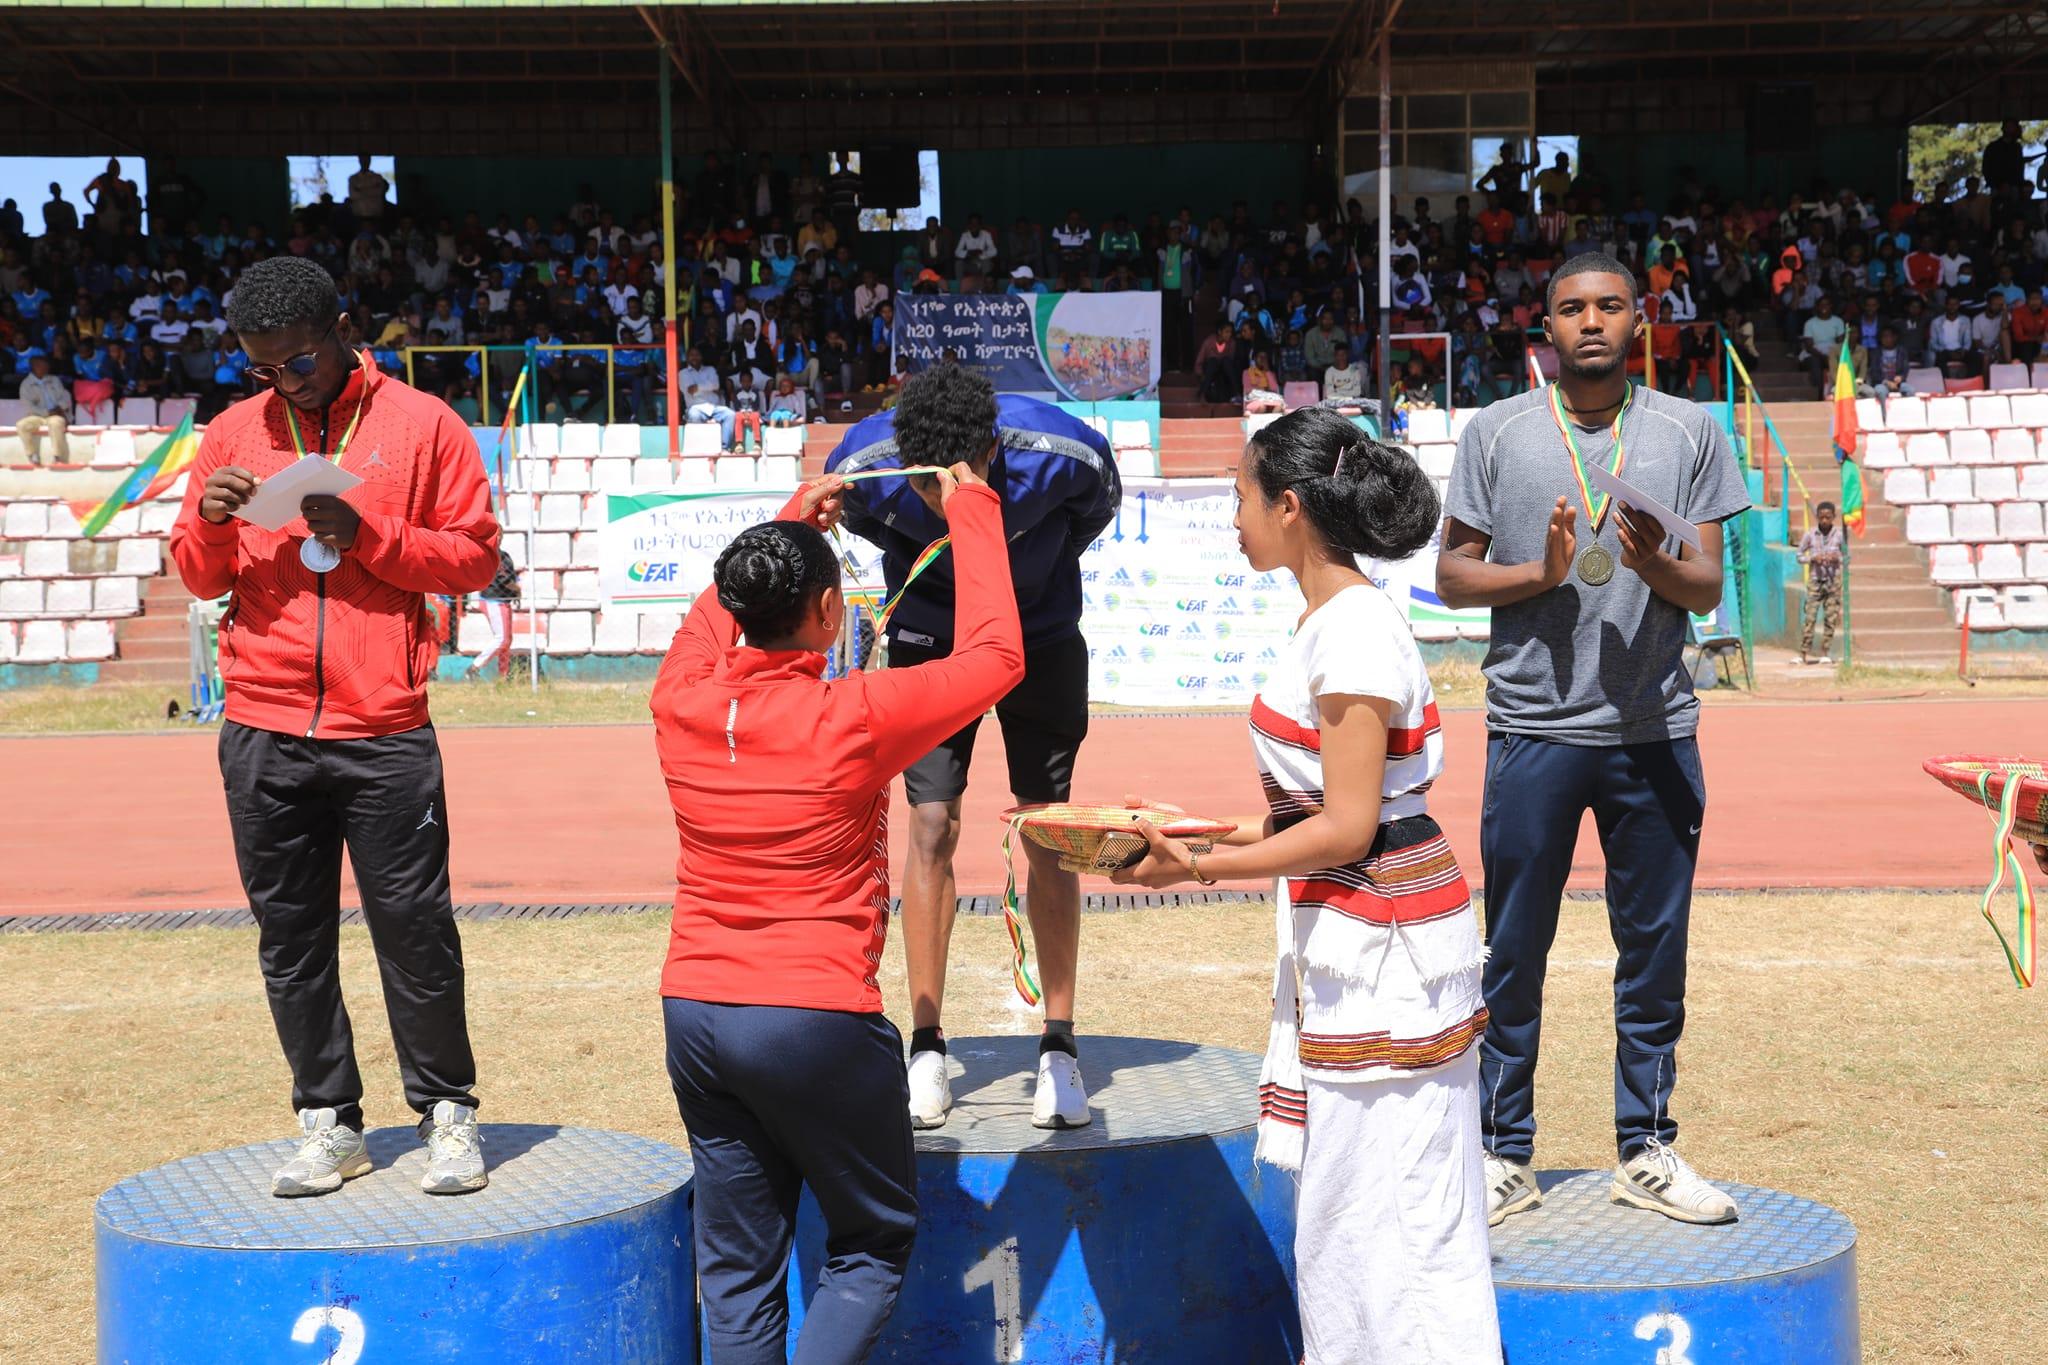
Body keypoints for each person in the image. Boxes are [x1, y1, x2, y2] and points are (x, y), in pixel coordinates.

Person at [1111, 408, 1499, 1365]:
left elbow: (1347, 827)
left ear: (1289, 506)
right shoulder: (1337, 620)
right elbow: (1318, 813)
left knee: (1393, 1224)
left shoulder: (1353, 632)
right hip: (1367, 939)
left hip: (1387, 953)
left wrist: (1193, 866)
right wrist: (1196, 833)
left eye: (1240, 496)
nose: (1232, 518)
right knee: (1357, 1218)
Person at [652, 463, 1023, 1363]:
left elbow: (708, 621)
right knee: (870, 1244)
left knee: (737, 1271)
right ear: (828, 612)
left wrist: (790, 525)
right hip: (813, 1017)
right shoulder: (850, 713)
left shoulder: (679, 695)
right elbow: (997, 659)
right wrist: (974, 508)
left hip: (695, 1013)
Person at [167, 256, 499, 1199]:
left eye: (300, 360)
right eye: (263, 367)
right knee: (290, 937)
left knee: (416, 931)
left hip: (383, 726)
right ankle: (329, 1121)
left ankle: (447, 1112)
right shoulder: (233, 431)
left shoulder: (424, 425)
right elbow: (198, 574)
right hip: (262, 725)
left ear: (345, 330)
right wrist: (213, 522)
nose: (286, 381)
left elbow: (475, 559)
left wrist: (370, 536)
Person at [1437, 252, 1751, 1228]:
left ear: (1637, 322)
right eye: (1572, 307)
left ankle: (1645, 1149)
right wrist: (1540, 572)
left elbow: (1707, 584)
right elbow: (1451, 575)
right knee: (1513, 950)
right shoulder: (1497, 430)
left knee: (1653, 950)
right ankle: (1501, 1153)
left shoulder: (1688, 430)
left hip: (1654, 729)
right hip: (1533, 725)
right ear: (1546, 325)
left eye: (1609, 306)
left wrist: (1653, 563)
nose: (1590, 321)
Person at [826, 365, 1119, 1131]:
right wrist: (938, 578)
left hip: (1039, 635)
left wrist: (1029, 576)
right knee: (931, 824)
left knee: (1048, 827)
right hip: (931, 638)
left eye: (956, 481)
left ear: (992, 450)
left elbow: (1095, 509)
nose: (939, 500)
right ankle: (925, 1046)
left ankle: (1059, 1045)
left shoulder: (1062, 452)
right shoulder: (866, 461)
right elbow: (857, 515)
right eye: (924, 487)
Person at [1797, 502, 1845, 666]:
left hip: (1833, 582)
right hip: (1815, 580)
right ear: (1817, 517)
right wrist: (1812, 559)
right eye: (1821, 517)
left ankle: (1825, 652)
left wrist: (1837, 558)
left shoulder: (1839, 536)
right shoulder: (1810, 535)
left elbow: (1847, 556)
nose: (1824, 521)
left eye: (1828, 517)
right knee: (1810, 617)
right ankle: (1803, 653)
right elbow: (1799, 555)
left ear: (1833, 518)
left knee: (1830, 618)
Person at [465, 549, 520, 681]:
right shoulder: (492, 555)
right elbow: (504, 579)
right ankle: (474, 667)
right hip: (494, 599)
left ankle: (503, 675)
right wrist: (517, 590)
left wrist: (513, 593)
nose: (498, 539)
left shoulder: (504, 555)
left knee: (507, 639)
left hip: (502, 599)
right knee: (502, 639)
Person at [16, 352, 70, 465]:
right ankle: (32, 455)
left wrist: (59, 408)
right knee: (21, 425)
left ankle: (57, 456)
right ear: (35, 367)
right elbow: (29, 406)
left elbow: (64, 397)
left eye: (47, 365)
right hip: (37, 416)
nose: (46, 368)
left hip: (56, 413)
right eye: (43, 365)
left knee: (56, 423)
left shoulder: (54, 380)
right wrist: (47, 412)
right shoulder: (26, 384)